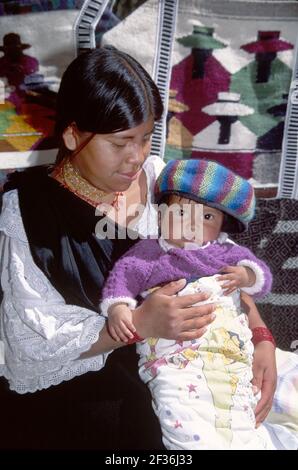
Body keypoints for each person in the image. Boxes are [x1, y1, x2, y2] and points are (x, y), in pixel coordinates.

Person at [0, 46, 289, 449]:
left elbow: (217, 260)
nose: (136, 158)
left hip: (196, 371)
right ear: (72, 134)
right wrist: (138, 324)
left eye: (146, 137)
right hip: (92, 395)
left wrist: (260, 337)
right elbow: (25, 345)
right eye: (120, 143)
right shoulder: (28, 211)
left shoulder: (162, 180)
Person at [101, 159, 298, 449]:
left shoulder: (226, 251)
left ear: (220, 227)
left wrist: (246, 275)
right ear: (161, 213)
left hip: (228, 350)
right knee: (182, 413)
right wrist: (118, 308)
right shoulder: (149, 253)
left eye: (207, 218)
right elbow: (122, 280)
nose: (191, 224)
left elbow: (262, 278)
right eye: (181, 212)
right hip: (175, 356)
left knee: (237, 408)